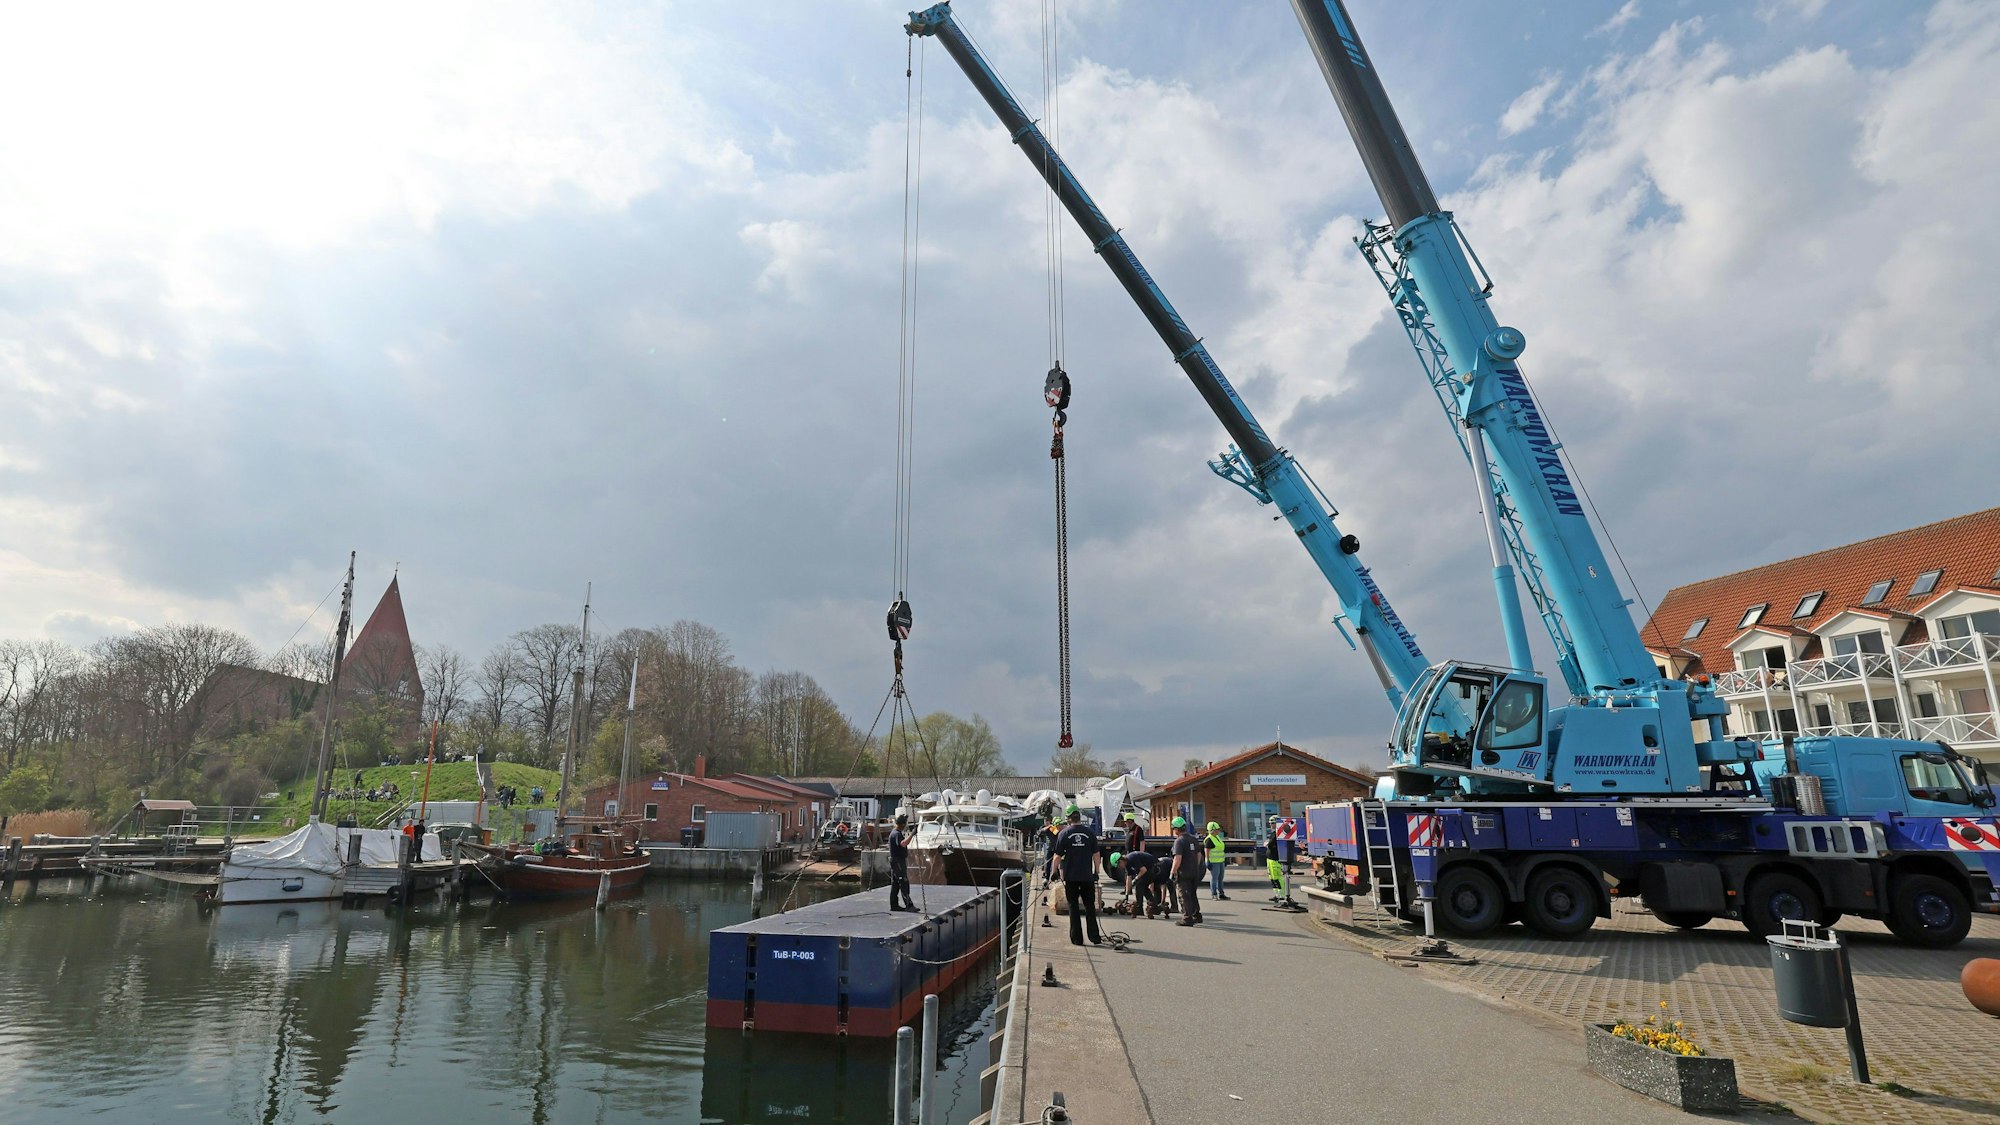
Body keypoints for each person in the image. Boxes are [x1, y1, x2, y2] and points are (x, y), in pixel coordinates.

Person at [1054, 804, 1103, 946]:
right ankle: (1094, 937)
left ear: (1069, 818)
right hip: (1087, 876)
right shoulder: (1089, 833)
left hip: (1071, 877)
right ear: (1079, 817)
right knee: (1089, 906)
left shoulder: (1064, 834)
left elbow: (1057, 857)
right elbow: (1096, 855)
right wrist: (1097, 872)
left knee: (1073, 907)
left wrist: (1054, 872)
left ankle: (1077, 939)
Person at [1170, 817, 1205, 926]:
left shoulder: (1179, 841)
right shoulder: (1193, 839)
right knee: (1192, 894)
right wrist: (1195, 866)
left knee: (1184, 895)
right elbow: (1199, 855)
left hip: (1183, 872)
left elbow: (1177, 858)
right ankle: (1197, 915)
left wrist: (1173, 872)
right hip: (1194, 871)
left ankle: (1187, 918)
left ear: (1177, 829)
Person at [887, 813, 917, 912]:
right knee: (904, 882)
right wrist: (912, 834)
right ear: (903, 824)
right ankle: (909, 905)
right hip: (898, 862)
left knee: (895, 884)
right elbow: (903, 844)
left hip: (894, 861)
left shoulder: (893, 833)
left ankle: (894, 905)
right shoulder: (897, 834)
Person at [1122, 846, 1164, 917]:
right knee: (1144, 888)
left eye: (1119, 865)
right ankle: (1155, 908)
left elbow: (1143, 870)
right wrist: (1126, 896)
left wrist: (1135, 879)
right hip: (1149, 869)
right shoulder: (1127, 864)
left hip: (1155, 867)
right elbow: (1128, 879)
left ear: (1121, 861)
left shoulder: (1131, 858)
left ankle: (1139, 909)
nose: (1120, 867)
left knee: (1139, 885)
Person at [1265, 825, 1291, 904]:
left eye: (1272, 823)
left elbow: (1270, 844)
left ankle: (1282, 895)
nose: (1270, 824)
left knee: (1277, 878)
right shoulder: (1274, 833)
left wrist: (1267, 843)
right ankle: (1277, 895)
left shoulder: (1278, 833)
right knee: (1273, 878)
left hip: (1275, 860)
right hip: (1270, 859)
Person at [1205, 821, 1228, 900]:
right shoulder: (1209, 839)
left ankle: (1221, 893)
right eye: (1217, 829)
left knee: (1220, 878)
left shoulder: (1217, 837)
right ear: (1212, 830)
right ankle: (1214, 894)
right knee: (1214, 878)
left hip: (1220, 861)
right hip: (1214, 862)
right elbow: (1207, 851)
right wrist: (1208, 861)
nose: (1219, 830)